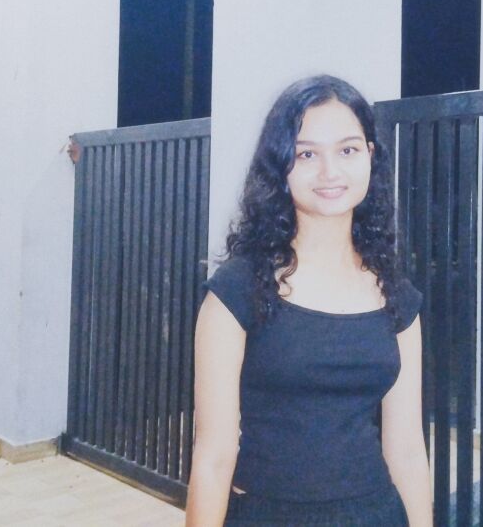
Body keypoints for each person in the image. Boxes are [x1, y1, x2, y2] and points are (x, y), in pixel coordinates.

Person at [184, 75, 432, 526]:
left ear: (370, 156)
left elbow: (408, 452)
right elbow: (213, 456)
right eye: (306, 154)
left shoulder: (396, 296)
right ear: (280, 166)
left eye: (347, 150)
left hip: (375, 514)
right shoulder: (239, 289)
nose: (330, 172)